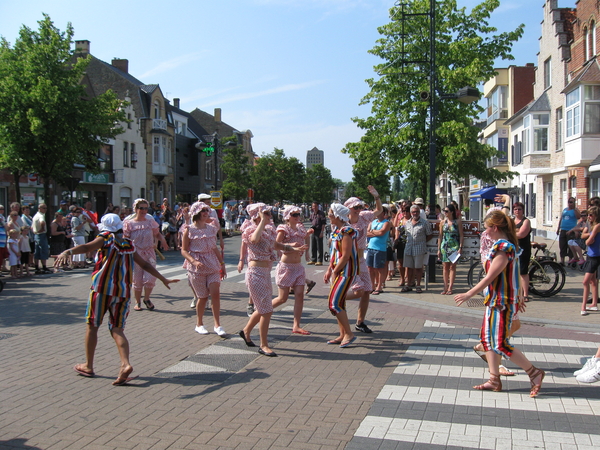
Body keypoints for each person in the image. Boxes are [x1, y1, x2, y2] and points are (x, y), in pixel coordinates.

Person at [53, 213, 179, 385]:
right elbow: (145, 264)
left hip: (101, 289)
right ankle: (125, 364)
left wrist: (68, 251)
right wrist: (163, 278)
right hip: (122, 292)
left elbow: (87, 247)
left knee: (92, 325)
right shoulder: (127, 243)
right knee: (117, 329)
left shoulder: (105, 238)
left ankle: (89, 365)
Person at [455, 210, 545, 396]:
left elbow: (491, 276)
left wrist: (469, 293)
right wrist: (519, 294)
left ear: (495, 228)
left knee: (500, 343)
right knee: (488, 341)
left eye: (487, 228)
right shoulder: (505, 245)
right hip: (497, 300)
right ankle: (494, 379)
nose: (485, 232)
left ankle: (534, 373)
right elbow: (513, 274)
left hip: (502, 302)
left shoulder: (503, 247)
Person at [239, 203, 306, 357]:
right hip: (255, 273)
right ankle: (263, 345)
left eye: (269, 212)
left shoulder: (269, 229)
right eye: (266, 212)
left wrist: (293, 248)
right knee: (267, 310)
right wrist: (262, 221)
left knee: (264, 307)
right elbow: (254, 240)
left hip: (266, 272)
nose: (269, 215)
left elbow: (275, 244)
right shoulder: (250, 229)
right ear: (257, 215)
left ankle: (246, 331)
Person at [181, 202, 227, 336]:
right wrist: (193, 261)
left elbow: (214, 248)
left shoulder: (211, 228)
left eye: (207, 210)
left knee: (216, 294)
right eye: (203, 211)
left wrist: (222, 264)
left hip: (212, 264)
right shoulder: (189, 230)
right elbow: (184, 250)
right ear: (196, 213)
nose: (206, 213)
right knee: (202, 297)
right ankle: (199, 323)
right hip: (197, 267)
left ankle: (217, 325)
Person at [344, 186, 383, 335]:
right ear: (348, 208)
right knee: (359, 291)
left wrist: (376, 197)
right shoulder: (344, 222)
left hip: (361, 259)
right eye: (355, 207)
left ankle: (360, 322)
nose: (358, 209)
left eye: (360, 206)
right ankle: (336, 299)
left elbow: (378, 211)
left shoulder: (364, 216)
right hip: (349, 260)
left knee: (367, 290)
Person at [271, 205, 313, 335]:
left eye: (298, 214)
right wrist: (290, 245)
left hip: (298, 266)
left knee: (299, 296)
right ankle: (261, 310)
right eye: (294, 215)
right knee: (282, 298)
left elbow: (305, 237)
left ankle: (296, 325)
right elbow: (275, 245)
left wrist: (307, 252)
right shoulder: (283, 229)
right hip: (286, 267)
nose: (297, 217)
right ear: (288, 217)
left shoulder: (300, 227)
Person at [123, 199, 170, 312]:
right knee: (137, 279)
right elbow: (125, 239)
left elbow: (157, 233)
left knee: (150, 278)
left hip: (149, 253)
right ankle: (137, 301)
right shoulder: (129, 223)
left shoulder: (149, 222)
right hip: (136, 255)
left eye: (146, 208)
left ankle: (147, 298)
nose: (144, 211)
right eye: (141, 208)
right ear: (136, 209)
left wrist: (162, 240)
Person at [324, 203, 358, 348]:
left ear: (338, 215)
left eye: (330, 213)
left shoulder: (346, 231)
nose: (328, 215)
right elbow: (335, 254)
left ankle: (349, 334)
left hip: (346, 271)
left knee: (334, 303)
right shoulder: (338, 230)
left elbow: (345, 256)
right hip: (339, 270)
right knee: (340, 302)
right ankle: (342, 334)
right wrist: (329, 269)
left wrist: (335, 270)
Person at [402, 205, 432, 293]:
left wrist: (422, 241)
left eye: (417, 212)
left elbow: (430, 234)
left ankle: (418, 285)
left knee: (418, 268)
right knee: (409, 267)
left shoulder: (424, 222)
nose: (415, 213)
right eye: (413, 212)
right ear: (411, 213)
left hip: (419, 248)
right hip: (408, 247)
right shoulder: (407, 222)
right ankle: (409, 284)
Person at [437, 204, 463, 295]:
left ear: (452, 212)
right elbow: (440, 236)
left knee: (452, 267)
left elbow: (461, 235)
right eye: (444, 211)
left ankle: (450, 287)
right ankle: (445, 287)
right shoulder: (442, 222)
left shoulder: (457, 222)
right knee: (445, 267)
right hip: (445, 245)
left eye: (447, 211)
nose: (445, 213)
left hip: (454, 245)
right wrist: (439, 249)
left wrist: (460, 247)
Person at [366, 206, 391, 295]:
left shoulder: (387, 223)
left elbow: (382, 233)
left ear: (383, 213)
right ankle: (372, 286)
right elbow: (366, 233)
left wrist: (372, 231)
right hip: (371, 247)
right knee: (370, 268)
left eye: (379, 211)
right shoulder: (372, 222)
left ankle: (379, 286)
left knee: (380, 268)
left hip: (380, 249)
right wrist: (375, 232)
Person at [580, 206, 600, 316]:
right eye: (588, 215)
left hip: (594, 256)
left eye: (591, 215)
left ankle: (583, 307)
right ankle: (594, 304)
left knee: (585, 281)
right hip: (591, 254)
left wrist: (588, 238)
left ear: (596, 215)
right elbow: (585, 236)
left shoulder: (597, 226)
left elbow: (588, 242)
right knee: (593, 281)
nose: (588, 217)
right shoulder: (592, 226)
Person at [512, 200, 532, 302]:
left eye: (519, 209)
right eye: (515, 209)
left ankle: (525, 294)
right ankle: (516, 292)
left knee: (523, 272)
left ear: (523, 210)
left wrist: (511, 233)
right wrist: (515, 231)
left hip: (523, 249)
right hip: (513, 249)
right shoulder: (511, 221)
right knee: (514, 271)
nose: (517, 211)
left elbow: (521, 234)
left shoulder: (526, 221)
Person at [557, 197, 581, 265]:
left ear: (574, 203)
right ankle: (562, 260)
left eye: (571, 202)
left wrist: (574, 209)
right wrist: (558, 228)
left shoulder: (575, 210)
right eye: (569, 202)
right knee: (562, 245)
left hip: (571, 230)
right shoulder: (565, 210)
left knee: (570, 245)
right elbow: (561, 219)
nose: (570, 203)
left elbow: (578, 217)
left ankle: (570, 260)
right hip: (563, 229)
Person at [393, 206, 410, 287]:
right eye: (403, 211)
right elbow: (397, 229)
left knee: (409, 262)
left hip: (409, 243)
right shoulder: (401, 220)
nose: (405, 213)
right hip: (400, 243)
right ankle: (402, 278)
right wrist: (396, 238)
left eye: (407, 211)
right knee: (400, 263)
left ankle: (409, 279)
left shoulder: (411, 220)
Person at [32, 203, 51, 274]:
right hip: (41, 234)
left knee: (37, 251)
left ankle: (37, 267)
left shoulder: (35, 215)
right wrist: (42, 228)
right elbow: (42, 222)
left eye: (46, 208)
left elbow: (32, 226)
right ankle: (44, 267)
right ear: (39, 208)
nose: (45, 210)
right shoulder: (41, 216)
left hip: (36, 234)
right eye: (43, 208)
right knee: (43, 250)